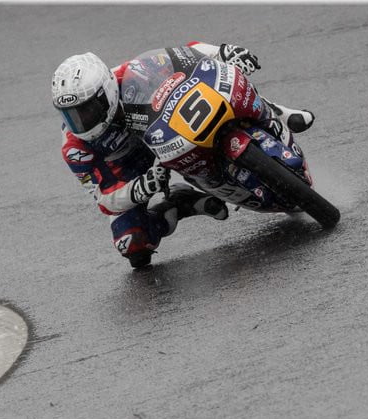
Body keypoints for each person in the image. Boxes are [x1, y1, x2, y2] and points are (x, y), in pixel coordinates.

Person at [51, 42, 315, 268]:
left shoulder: (127, 75)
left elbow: (185, 54)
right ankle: (180, 204)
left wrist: (223, 52)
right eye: (70, 115)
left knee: (223, 83)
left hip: (165, 130)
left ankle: (278, 112)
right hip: (132, 169)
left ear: (105, 92)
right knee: (132, 245)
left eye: (86, 110)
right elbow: (104, 198)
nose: (80, 121)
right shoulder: (74, 148)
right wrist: (141, 188)